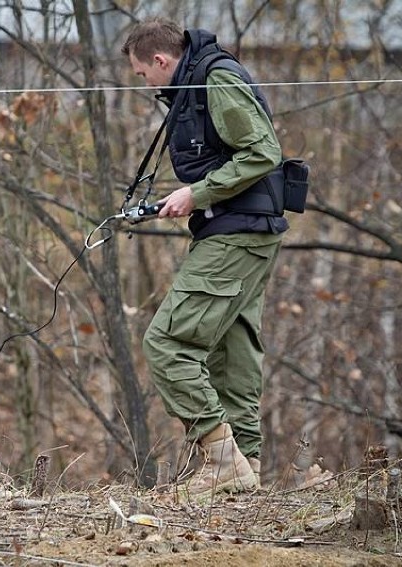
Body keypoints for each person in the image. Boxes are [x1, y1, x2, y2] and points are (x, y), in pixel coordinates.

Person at [122, 19, 289, 497]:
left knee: (167, 344)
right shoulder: (196, 83)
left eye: (141, 74)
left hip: (238, 231)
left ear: (160, 60)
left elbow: (263, 152)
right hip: (240, 229)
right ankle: (246, 468)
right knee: (233, 350)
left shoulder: (215, 79)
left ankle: (221, 460)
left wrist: (197, 192)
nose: (143, 83)